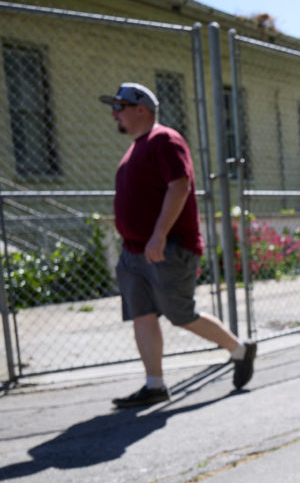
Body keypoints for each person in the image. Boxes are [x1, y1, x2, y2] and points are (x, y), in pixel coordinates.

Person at [99, 82, 256, 408]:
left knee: (181, 314)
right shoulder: (133, 150)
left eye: (120, 107)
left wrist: (158, 235)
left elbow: (180, 186)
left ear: (141, 109)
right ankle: (154, 385)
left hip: (168, 248)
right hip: (133, 252)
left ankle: (239, 351)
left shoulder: (165, 140)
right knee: (141, 315)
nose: (115, 114)